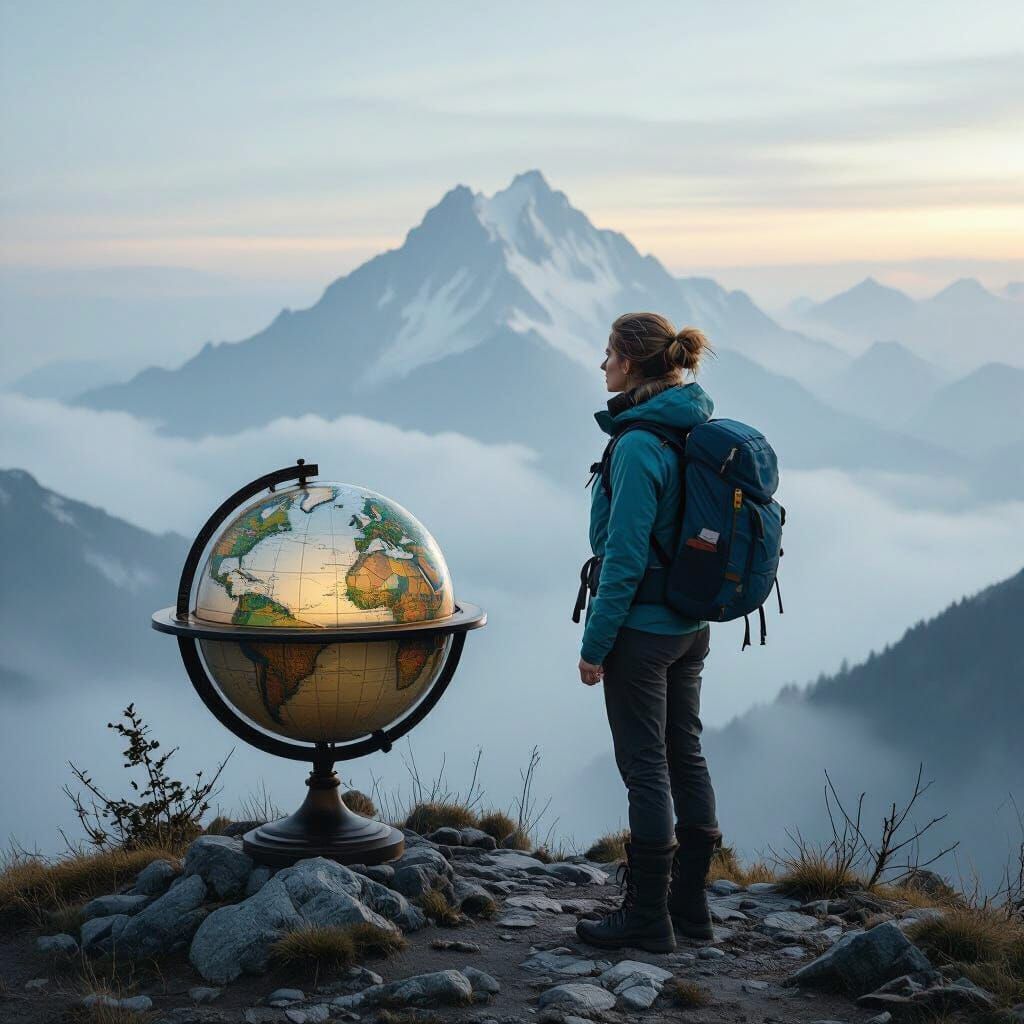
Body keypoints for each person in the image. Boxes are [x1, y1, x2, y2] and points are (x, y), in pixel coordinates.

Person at [575, 312, 722, 954]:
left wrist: (594, 645)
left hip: (643, 632)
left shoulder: (637, 444)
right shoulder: (692, 425)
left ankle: (645, 920)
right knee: (685, 756)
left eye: (608, 354)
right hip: (690, 626)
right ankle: (690, 910)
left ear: (631, 364)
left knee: (645, 769)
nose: (602, 364)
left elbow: (625, 558)